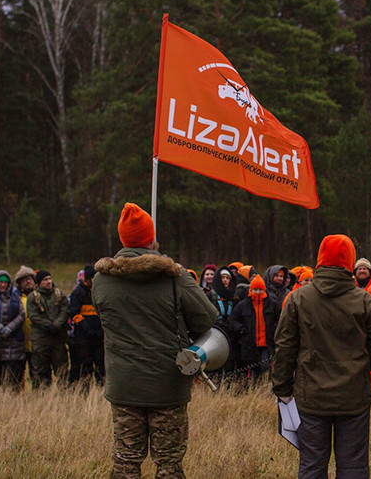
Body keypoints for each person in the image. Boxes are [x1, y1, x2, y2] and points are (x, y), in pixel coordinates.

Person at [92, 202, 217, 478]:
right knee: (169, 466)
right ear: (151, 238)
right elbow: (207, 318)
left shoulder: (101, 281)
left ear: (123, 239)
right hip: (168, 386)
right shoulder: (175, 278)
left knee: (125, 464)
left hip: (124, 385)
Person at [272, 234, 371, 478]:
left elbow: (284, 348)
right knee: (354, 467)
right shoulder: (365, 301)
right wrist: (362, 368)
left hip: (311, 397)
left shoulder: (298, 299)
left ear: (319, 261)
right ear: (351, 263)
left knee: (312, 466)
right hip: (353, 398)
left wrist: (282, 388)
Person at [229, 274, 279, 381]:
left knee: (265, 366)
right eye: (255, 290)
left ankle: (266, 386)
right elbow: (233, 320)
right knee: (253, 370)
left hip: (267, 343)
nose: (258, 292)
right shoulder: (243, 305)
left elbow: (279, 319)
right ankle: (255, 389)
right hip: (249, 343)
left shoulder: (272, 304)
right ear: (251, 290)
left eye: (260, 290)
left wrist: (274, 330)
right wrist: (241, 329)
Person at [27, 270, 69, 387]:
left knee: (62, 371)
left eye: (50, 279)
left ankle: (64, 397)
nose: (49, 282)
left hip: (58, 339)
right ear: (39, 282)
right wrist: (48, 325)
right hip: (40, 341)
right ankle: (41, 398)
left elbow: (65, 311)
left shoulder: (60, 295)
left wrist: (56, 325)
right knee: (40, 372)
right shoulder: (33, 298)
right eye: (45, 280)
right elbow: (33, 316)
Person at [67, 265, 104, 385]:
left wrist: (101, 330)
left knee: (101, 365)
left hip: (99, 337)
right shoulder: (77, 293)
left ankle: (101, 389)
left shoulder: (99, 293)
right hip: (83, 338)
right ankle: (84, 392)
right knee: (85, 366)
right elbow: (75, 313)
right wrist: (86, 329)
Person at [14, 265, 35, 383]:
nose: (28, 281)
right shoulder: (14, 297)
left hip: (36, 342)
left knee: (36, 372)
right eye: (24, 279)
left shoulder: (39, 296)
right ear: (19, 282)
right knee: (18, 373)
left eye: (30, 279)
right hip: (19, 342)